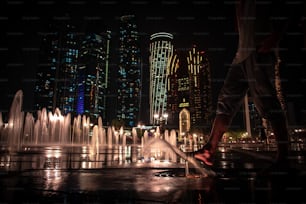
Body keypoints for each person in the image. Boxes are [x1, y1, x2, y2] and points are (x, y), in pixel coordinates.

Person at [194, 0, 291, 167]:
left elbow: (287, 11)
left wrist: (275, 37)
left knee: (267, 101)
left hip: (260, 50)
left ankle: (283, 157)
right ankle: (209, 150)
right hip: (241, 55)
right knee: (225, 102)